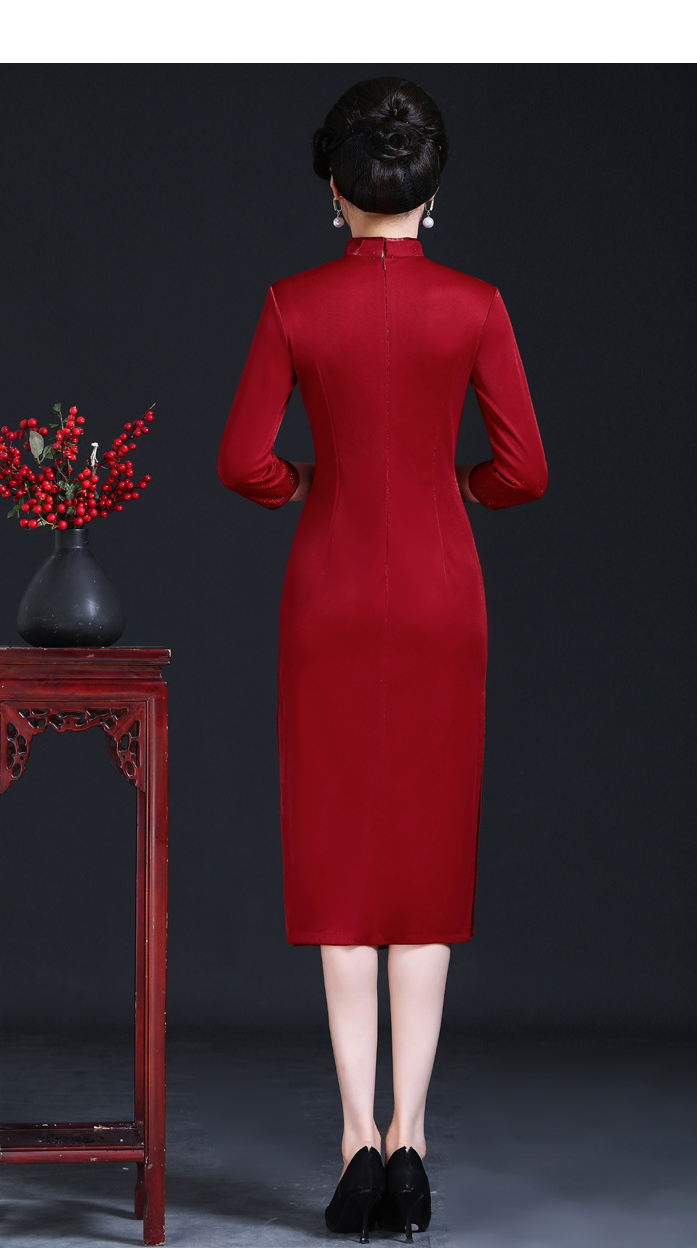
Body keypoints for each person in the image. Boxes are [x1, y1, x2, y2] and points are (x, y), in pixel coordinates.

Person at [217, 75, 548, 1244]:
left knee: (343, 871)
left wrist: (306, 483)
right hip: (442, 600)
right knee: (421, 871)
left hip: (332, 597)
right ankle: (412, 1140)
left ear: (335, 188)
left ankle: (356, 1139)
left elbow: (241, 461)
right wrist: (460, 488)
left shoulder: (292, 302)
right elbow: (524, 470)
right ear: (430, 187)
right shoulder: (475, 305)